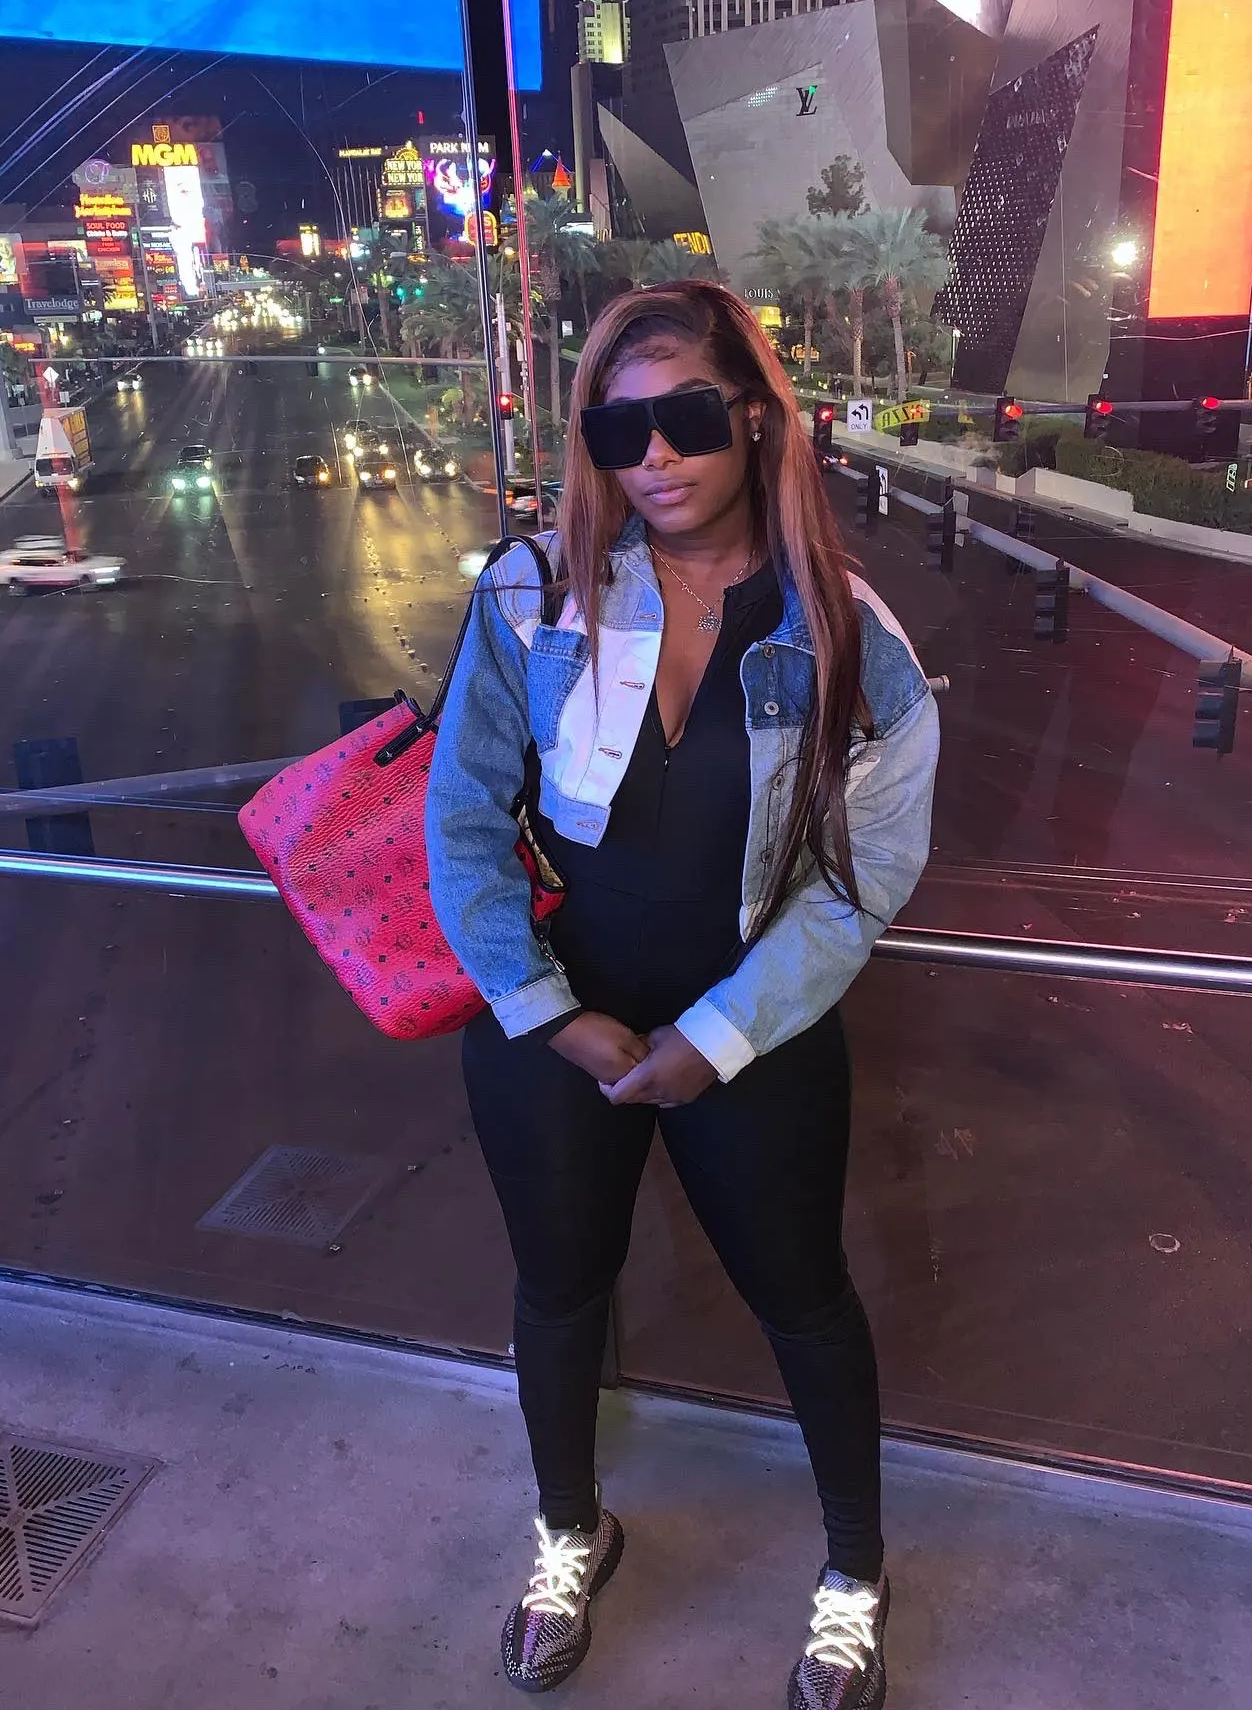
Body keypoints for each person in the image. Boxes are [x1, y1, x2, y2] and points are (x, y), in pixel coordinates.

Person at [425, 280, 939, 1707]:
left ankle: (854, 1573)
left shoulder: (849, 635)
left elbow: (863, 882)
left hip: (754, 1027)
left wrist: (715, 1039)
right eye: (618, 428)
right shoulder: (530, 593)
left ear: (757, 418)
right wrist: (546, 1011)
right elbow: (460, 816)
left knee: (806, 1302)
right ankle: (568, 1531)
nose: (652, 455)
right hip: (551, 1023)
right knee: (557, 1291)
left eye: (688, 417)